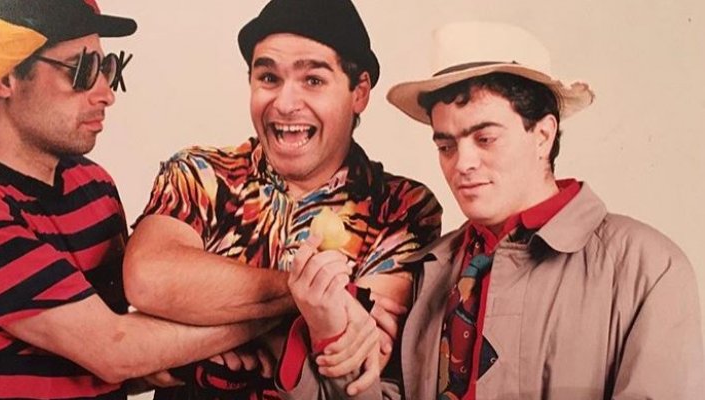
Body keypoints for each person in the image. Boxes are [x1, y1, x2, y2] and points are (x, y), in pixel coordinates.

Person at [287, 21, 705, 399]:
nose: (462, 163)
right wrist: (329, 328)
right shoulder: (429, 272)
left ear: (543, 135)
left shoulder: (647, 267)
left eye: (485, 139)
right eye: (446, 145)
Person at [0, 1, 274, 399]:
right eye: (81, 70)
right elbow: (114, 351)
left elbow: (118, 361)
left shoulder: (93, 186)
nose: (106, 94)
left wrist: (179, 358)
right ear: (5, 78)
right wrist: (284, 308)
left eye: (108, 67)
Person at [122, 0, 442, 398]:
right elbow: (149, 279)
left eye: (313, 80)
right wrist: (305, 300)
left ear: (359, 92)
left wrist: (183, 333)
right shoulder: (200, 174)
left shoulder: (401, 207)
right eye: (269, 78)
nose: (285, 104)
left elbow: (359, 359)